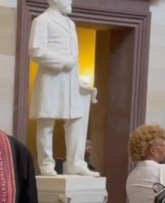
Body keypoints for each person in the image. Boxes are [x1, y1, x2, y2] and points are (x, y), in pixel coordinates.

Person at [28, 0, 99, 177]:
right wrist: (62, 62)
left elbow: (74, 57)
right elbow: (35, 50)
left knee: (75, 119)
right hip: (51, 79)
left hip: (70, 80)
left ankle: (75, 162)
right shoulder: (42, 20)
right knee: (47, 121)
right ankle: (46, 164)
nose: (70, 2)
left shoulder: (70, 23)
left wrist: (78, 80)